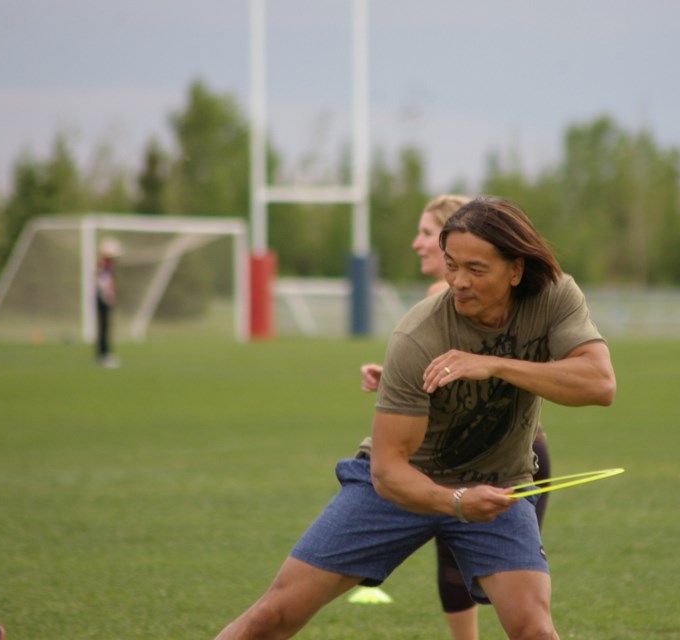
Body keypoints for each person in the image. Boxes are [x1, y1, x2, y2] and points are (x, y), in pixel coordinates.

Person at [213, 197, 616, 640]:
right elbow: (387, 471)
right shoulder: (417, 334)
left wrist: (497, 365)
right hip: (400, 484)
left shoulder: (554, 296)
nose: (459, 282)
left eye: (476, 269)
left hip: (497, 482)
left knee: (534, 630)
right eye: (451, 265)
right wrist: (458, 501)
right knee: (274, 615)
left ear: (516, 270)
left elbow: (600, 385)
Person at [359, 194, 554, 640]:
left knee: (473, 571)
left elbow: (477, 364)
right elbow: (456, 369)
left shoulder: (451, 295)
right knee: (470, 571)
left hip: (506, 458)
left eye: (428, 233)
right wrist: (395, 374)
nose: (417, 244)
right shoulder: (444, 300)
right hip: (475, 452)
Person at [95, 237, 122, 368]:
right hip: (102, 297)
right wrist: (109, 294)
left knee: (105, 327)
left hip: (103, 296)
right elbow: (104, 281)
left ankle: (104, 353)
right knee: (104, 327)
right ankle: (103, 355)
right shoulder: (104, 265)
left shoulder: (105, 264)